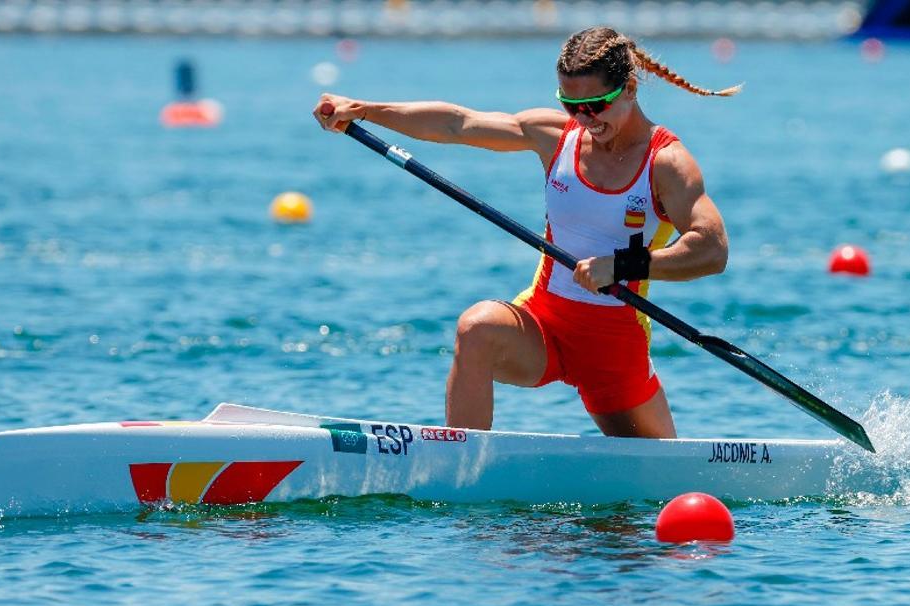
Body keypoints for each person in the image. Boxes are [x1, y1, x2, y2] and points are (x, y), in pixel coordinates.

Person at [314, 26, 737, 439]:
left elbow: (712, 250)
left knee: (656, 488)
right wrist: (366, 110)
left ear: (629, 88)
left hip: (614, 345)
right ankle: (459, 469)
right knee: (476, 328)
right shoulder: (556, 136)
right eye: (572, 105)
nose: (584, 118)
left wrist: (621, 265)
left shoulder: (666, 162)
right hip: (544, 322)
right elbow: (458, 124)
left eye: (595, 105)